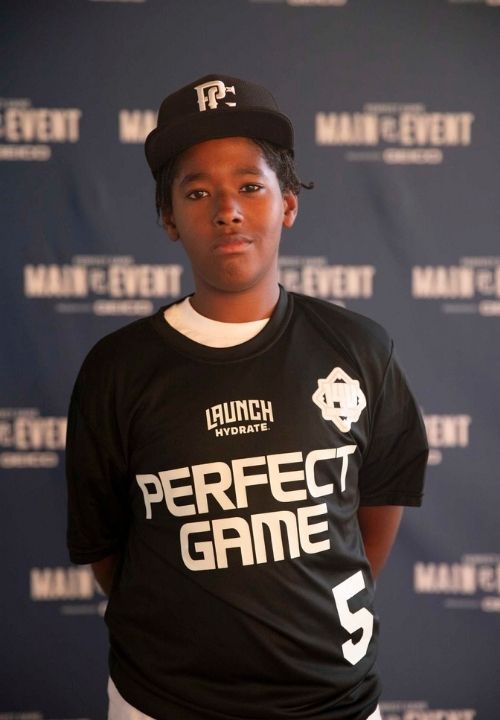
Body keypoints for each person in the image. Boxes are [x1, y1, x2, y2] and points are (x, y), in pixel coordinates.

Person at [66, 74, 428, 720]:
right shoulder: (117, 370)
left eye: (250, 187)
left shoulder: (359, 350)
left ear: (288, 204)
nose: (226, 210)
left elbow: (374, 514)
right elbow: (106, 547)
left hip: (332, 700)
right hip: (162, 703)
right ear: (168, 218)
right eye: (197, 192)